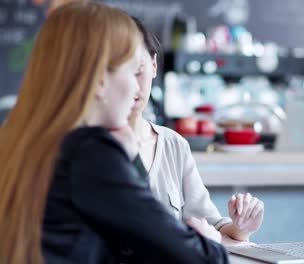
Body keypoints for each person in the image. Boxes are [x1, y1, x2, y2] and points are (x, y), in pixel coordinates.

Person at [0, 2, 227, 263]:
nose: (136, 89)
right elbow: (201, 258)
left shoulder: (21, 141)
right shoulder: (90, 153)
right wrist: (210, 241)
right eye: (133, 71)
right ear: (99, 79)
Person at [129, 16, 265, 243]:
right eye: (117, 70)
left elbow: (210, 225)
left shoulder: (174, 145)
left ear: (154, 66)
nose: (132, 85)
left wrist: (242, 227)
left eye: (138, 70)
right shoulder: (91, 148)